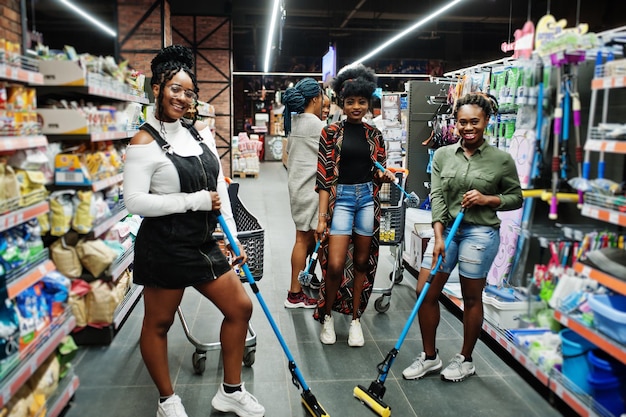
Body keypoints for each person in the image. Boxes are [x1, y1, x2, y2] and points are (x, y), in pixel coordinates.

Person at [123, 45, 265, 417]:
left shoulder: (198, 137)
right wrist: (191, 202)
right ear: (157, 88)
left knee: (240, 307)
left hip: (203, 242)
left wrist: (232, 238)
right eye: (175, 89)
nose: (182, 98)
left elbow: (218, 191)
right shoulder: (143, 142)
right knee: (159, 322)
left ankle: (230, 391)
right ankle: (167, 400)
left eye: (189, 92)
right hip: (166, 246)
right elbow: (134, 202)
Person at [402, 93, 523, 382]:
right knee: (425, 291)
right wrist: (438, 236)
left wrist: (486, 199)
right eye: (462, 122)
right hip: (448, 232)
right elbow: (438, 196)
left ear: (487, 122)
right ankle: (430, 357)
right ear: (455, 124)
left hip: (480, 232)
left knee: (471, 297)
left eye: (474, 122)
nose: (468, 128)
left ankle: (465, 359)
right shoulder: (444, 155)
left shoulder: (501, 160)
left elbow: (515, 198)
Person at [314, 64, 395, 346]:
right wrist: (322, 217)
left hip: (366, 201)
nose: (356, 107)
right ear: (342, 103)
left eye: (361, 101)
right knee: (335, 264)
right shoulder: (330, 133)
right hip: (341, 201)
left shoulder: (376, 136)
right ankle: (327, 316)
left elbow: (378, 173)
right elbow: (324, 178)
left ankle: (355, 319)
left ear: (368, 103)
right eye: (350, 102)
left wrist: (382, 175)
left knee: (361, 262)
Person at [282, 78, 325, 308]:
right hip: (310, 190)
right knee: (303, 239)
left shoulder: (296, 122)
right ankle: (294, 294)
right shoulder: (316, 125)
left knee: (305, 239)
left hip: (297, 187)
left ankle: (304, 278)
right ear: (316, 98)